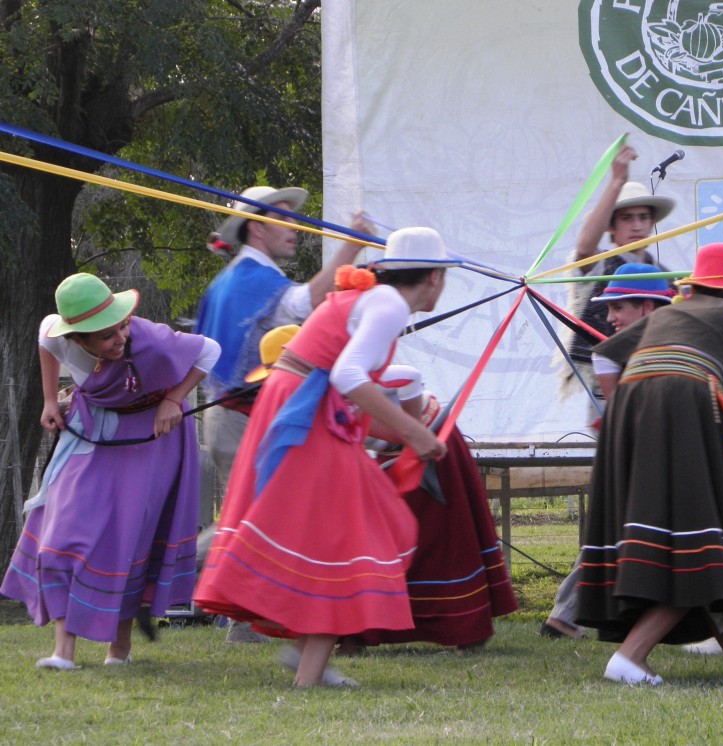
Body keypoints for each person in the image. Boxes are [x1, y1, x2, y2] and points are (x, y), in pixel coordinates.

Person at [194, 227, 461, 688]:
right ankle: (308, 673)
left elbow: (343, 383)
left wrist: (404, 434)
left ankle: (305, 658)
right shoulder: (389, 304)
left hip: (302, 406)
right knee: (350, 537)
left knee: (342, 532)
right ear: (435, 277)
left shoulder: (372, 300)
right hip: (304, 411)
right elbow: (348, 375)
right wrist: (415, 433)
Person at [576, 243, 723, 685]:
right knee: (706, 538)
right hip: (686, 406)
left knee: (697, 534)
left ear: (696, 283)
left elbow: (605, 354)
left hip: (630, 408)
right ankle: (630, 657)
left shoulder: (670, 313)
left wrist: (631, 402)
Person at [1, 273, 220, 669]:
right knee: (64, 525)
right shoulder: (59, 334)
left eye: (121, 324)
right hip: (95, 428)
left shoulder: (150, 339)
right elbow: (44, 336)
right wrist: (51, 399)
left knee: (129, 534)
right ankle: (62, 652)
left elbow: (211, 350)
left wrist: (174, 398)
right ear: (78, 339)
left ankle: (119, 651)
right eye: (105, 335)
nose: (119, 337)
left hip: (153, 433)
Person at [195, 186, 365, 642]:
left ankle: (246, 623)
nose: (296, 231)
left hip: (244, 416)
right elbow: (307, 304)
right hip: (239, 416)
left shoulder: (241, 277)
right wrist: (352, 245)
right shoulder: (249, 276)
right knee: (247, 520)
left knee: (259, 517)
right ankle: (157, 569)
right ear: (257, 226)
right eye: (284, 220)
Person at [540, 263, 676, 640]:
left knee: (625, 535)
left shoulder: (667, 345)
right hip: (637, 457)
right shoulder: (615, 353)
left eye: (618, 308)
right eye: (609, 308)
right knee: (621, 534)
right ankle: (571, 616)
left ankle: (570, 617)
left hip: (653, 455)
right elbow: (618, 408)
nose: (610, 317)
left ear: (648, 308)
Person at [346, 366, 518, 650]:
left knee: (440, 540)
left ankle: (466, 625)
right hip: (391, 454)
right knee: (377, 545)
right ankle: (359, 632)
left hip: (433, 443)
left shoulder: (343, 375)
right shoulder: (302, 399)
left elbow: (409, 377)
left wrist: (414, 435)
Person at [557, 144, 675, 421]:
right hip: (608, 386)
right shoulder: (600, 265)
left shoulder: (664, 274)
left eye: (643, 217)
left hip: (659, 382)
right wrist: (617, 181)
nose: (636, 226)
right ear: (611, 226)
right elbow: (584, 249)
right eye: (626, 218)